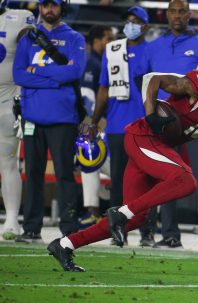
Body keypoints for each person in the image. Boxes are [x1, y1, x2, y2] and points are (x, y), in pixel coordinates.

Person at [47, 47, 198, 272]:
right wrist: (150, 115)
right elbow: (152, 79)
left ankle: (65, 245)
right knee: (186, 180)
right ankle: (119, 213)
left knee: (135, 219)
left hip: (156, 146)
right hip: (144, 136)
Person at [138, 0, 198, 250]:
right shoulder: (152, 47)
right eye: (173, 11)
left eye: (182, 11)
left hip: (195, 123)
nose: (177, 15)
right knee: (163, 176)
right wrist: (151, 114)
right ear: (167, 14)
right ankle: (169, 234)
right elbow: (142, 82)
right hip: (163, 122)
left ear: (189, 14)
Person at [13, 0, 86, 242]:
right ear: (40, 8)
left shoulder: (75, 38)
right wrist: (56, 80)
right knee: (32, 173)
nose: (49, 10)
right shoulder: (28, 38)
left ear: (61, 7)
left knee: (65, 174)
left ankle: (69, 230)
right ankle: (31, 228)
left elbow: (75, 73)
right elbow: (19, 75)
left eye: (53, 5)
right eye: (45, 5)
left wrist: (38, 72)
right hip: (32, 116)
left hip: (64, 117)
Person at [89, 6, 156, 246]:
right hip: (118, 127)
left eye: (136, 21)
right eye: (128, 21)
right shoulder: (112, 50)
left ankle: (147, 231)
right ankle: (118, 232)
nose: (131, 25)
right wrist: (94, 121)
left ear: (146, 26)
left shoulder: (152, 51)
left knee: (147, 181)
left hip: (144, 127)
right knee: (118, 183)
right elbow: (104, 89)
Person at [0, 0, 34, 240]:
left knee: (8, 162)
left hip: (7, 100)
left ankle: (12, 219)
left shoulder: (18, 16)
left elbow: (33, 50)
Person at [78, 25, 114, 228]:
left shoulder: (97, 62)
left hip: (97, 127)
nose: (110, 43)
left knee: (91, 160)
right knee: (89, 157)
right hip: (95, 127)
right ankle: (92, 210)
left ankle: (94, 209)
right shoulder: (94, 63)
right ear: (96, 40)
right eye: (107, 38)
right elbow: (89, 101)